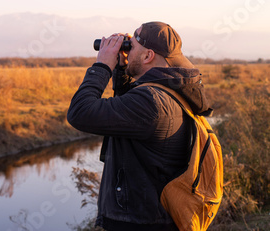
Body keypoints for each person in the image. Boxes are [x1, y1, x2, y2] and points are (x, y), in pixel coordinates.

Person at [67, 22, 213, 231]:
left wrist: (102, 66)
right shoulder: (170, 91)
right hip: (155, 218)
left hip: (140, 222)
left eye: (131, 47)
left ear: (147, 56)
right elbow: (126, 118)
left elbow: (80, 113)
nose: (125, 49)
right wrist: (122, 69)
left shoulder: (151, 101)